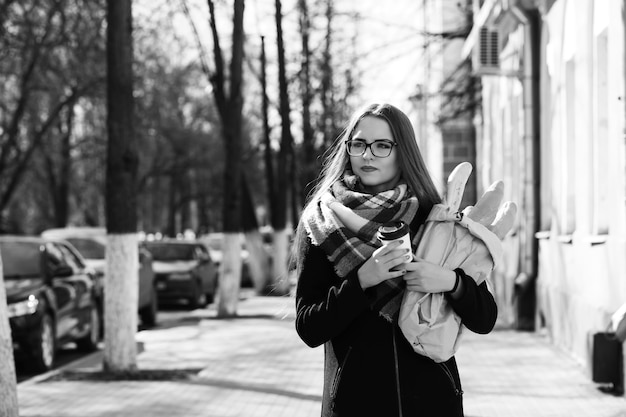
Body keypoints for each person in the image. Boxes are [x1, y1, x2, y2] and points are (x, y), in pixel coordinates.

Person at [293, 103, 497, 417]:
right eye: (358, 144)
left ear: (403, 151)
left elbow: (485, 319)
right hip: (353, 405)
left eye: (382, 145)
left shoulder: (435, 216)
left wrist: (451, 282)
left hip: (434, 403)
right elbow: (309, 327)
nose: (367, 155)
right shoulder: (322, 225)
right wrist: (362, 281)